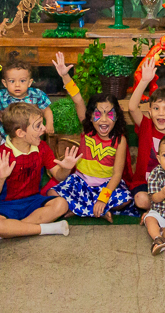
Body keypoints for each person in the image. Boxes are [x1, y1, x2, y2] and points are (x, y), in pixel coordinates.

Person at [48, 52, 137, 220]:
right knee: (52, 193)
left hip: (105, 186)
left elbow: (117, 174)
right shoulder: (87, 130)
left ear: (117, 117)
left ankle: (80, 209)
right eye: (98, 114)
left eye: (109, 114)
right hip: (80, 183)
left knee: (125, 199)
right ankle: (96, 211)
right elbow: (78, 100)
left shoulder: (120, 140)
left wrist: (103, 198)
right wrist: (65, 76)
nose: (103, 120)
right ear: (90, 116)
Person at [0, 103, 77, 242]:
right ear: (20, 133)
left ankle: (9, 231)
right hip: (6, 205)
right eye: (38, 126)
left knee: (61, 204)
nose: (44, 129)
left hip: (33, 201)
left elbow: (59, 175)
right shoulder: (0, 154)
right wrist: (0, 178)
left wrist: (67, 169)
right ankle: (46, 229)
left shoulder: (42, 147)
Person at [127, 57, 165, 212]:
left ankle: (162, 208)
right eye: (156, 108)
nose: (161, 113)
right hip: (145, 184)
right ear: (150, 112)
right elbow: (132, 107)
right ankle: (164, 208)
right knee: (140, 200)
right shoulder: (145, 126)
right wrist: (144, 81)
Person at [0, 59, 53, 147]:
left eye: (22, 81)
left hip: (31, 138)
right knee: (6, 156)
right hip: (7, 138)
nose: (17, 85)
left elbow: (46, 110)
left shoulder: (36, 94)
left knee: (33, 156)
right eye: (12, 81)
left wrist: (49, 123)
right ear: (5, 83)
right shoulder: (0, 96)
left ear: (29, 82)